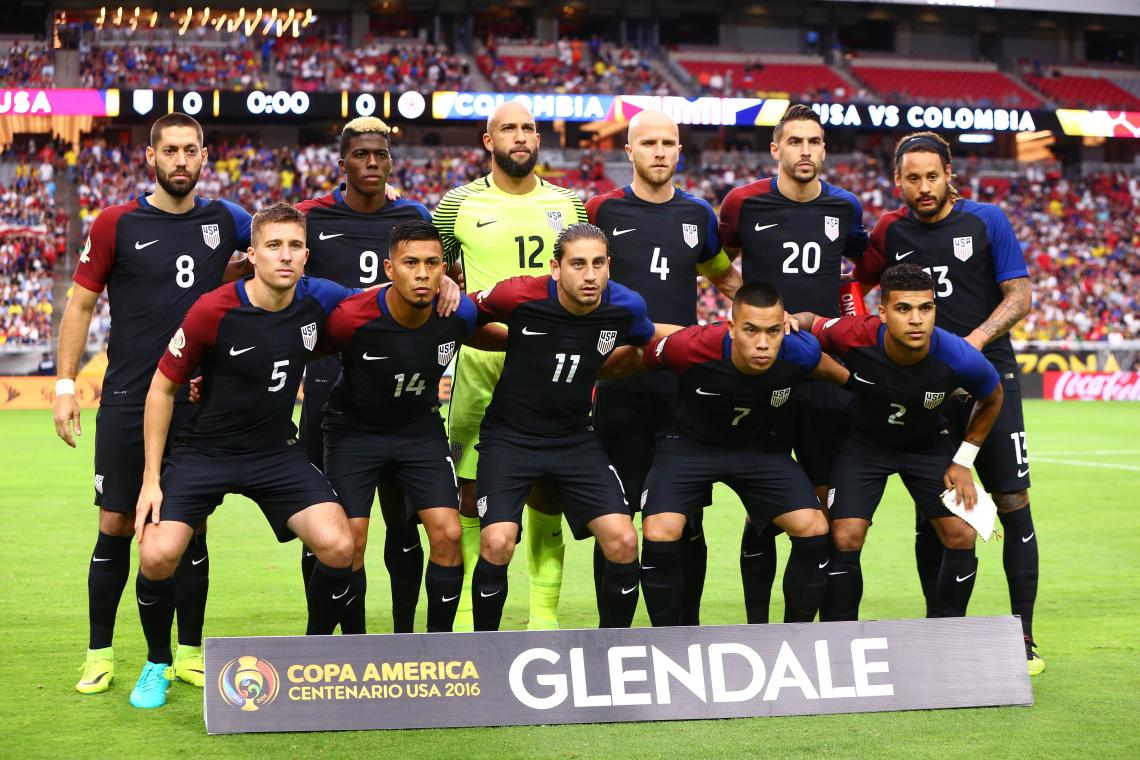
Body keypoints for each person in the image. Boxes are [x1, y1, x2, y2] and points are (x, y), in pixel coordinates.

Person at [53, 113, 251, 695]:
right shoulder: (116, 223)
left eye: (191, 150)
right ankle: (100, 652)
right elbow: (81, 306)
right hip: (126, 398)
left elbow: (283, 235)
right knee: (115, 522)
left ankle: (187, 652)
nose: (182, 161)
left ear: (204, 156)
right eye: (171, 151)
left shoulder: (225, 219)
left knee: (192, 528)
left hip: (197, 403)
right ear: (151, 158)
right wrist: (65, 384)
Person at [129, 203, 356, 709]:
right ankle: (156, 662)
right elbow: (162, 390)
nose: (285, 256)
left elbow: (383, 303)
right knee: (157, 553)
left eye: (295, 246)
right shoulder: (213, 310)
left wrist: (448, 288)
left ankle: (314, 655)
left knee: (340, 546)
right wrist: (151, 480)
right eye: (273, 246)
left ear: (306, 255)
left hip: (275, 452)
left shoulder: (321, 298)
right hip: (203, 452)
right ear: (251, 254)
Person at [855, 131, 1041, 675]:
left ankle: (1023, 634)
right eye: (912, 178)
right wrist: (872, 335)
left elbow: (1021, 294)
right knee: (934, 514)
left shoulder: (988, 220)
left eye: (931, 176)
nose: (923, 187)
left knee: (1011, 501)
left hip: (989, 379)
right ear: (898, 182)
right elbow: (857, 285)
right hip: (925, 389)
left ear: (948, 172)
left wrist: (975, 342)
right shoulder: (891, 228)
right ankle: (941, 630)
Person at [434, 102, 588, 631]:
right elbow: (435, 262)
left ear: (538, 139)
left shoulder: (569, 204)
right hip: (480, 371)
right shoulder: (458, 204)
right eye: (508, 129)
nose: (519, 137)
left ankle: (543, 619)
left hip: (551, 375)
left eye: (527, 129)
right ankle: (476, 624)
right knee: (472, 496)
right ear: (487, 140)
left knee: (547, 493)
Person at [295, 116, 453, 634]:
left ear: (390, 161)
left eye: (380, 155)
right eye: (361, 156)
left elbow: (439, 278)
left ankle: (405, 634)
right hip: (330, 386)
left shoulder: (412, 216)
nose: (371, 164)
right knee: (330, 527)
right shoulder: (309, 218)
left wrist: (451, 284)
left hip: (403, 388)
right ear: (342, 164)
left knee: (404, 521)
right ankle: (348, 638)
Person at [468, 223, 667, 631]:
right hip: (510, 437)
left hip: (575, 438)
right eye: (578, 264)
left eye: (598, 263)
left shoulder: (626, 306)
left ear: (609, 265)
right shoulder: (518, 295)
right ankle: (486, 650)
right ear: (556, 268)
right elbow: (463, 320)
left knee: (624, 541)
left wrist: (601, 372)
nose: (590, 274)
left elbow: (646, 345)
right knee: (497, 541)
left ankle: (614, 649)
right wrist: (511, 343)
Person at [585, 109, 738, 626]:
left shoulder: (697, 216)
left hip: (682, 394)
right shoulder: (600, 210)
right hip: (620, 386)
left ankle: (681, 633)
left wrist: (765, 315)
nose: (658, 150)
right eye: (647, 142)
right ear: (628, 151)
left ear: (679, 151)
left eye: (667, 142)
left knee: (686, 519)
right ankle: (615, 637)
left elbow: (723, 276)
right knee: (617, 522)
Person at [717, 103, 867, 624]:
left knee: (826, 504)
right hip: (764, 375)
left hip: (825, 374)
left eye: (815, 142)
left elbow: (863, 271)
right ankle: (760, 625)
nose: (806, 151)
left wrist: (843, 322)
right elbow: (718, 263)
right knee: (763, 511)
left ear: (824, 149)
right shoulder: (743, 203)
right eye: (796, 141)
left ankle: (814, 630)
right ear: (776, 148)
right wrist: (752, 315)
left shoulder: (845, 206)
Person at [318, 220, 505, 634]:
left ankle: (438, 647)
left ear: (445, 269)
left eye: (431, 263)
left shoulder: (459, 313)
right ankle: (355, 646)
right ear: (389, 269)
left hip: (418, 430)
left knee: (448, 533)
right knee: (351, 543)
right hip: (354, 432)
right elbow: (299, 349)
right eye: (410, 263)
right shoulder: (351, 319)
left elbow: (493, 336)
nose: (421, 273)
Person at [794, 263, 1004, 622]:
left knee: (961, 535)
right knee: (845, 536)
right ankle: (839, 637)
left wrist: (963, 460)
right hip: (864, 443)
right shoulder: (854, 333)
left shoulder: (959, 356)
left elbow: (993, 396)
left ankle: (949, 633)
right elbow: (811, 321)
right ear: (882, 311)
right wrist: (788, 321)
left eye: (925, 308)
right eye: (903, 309)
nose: (916, 319)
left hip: (926, 443)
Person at [639, 282, 846, 626]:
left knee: (813, 528)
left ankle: (797, 636)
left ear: (785, 327)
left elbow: (837, 374)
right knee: (660, 530)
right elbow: (639, 358)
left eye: (773, 331)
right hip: (688, 444)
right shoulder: (692, 346)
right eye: (751, 330)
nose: (763, 343)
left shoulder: (801, 352)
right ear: (732, 328)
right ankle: (669, 638)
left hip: (757, 448)